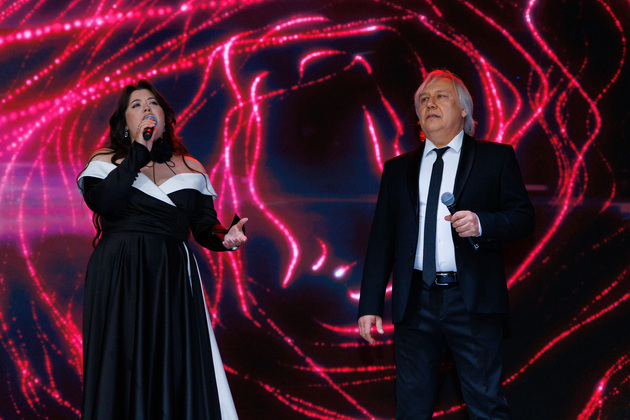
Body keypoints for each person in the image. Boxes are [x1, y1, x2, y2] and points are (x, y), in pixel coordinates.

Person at [357, 69, 535, 419]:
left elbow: (523, 218)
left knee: (486, 406)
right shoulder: (397, 169)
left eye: (441, 96)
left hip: (471, 300)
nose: (430, 104)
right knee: (411, 409)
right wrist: (369, 304)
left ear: (464, 109)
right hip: (414, 302)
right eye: (424, 99)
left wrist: (482, 223)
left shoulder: (495, 157)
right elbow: (381, 240)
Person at [77, 79, 246, 419]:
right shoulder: (104, 161)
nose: (146, 108)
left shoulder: (191, 167)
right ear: (125, 123)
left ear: (165, 118)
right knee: (121, 362)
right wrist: (139, 150)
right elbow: (105, 202)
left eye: (152, 103)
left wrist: (225, 237)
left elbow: (204, 225)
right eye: (136, 105)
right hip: (120, 271)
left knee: (173, 363)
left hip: (171, 275)